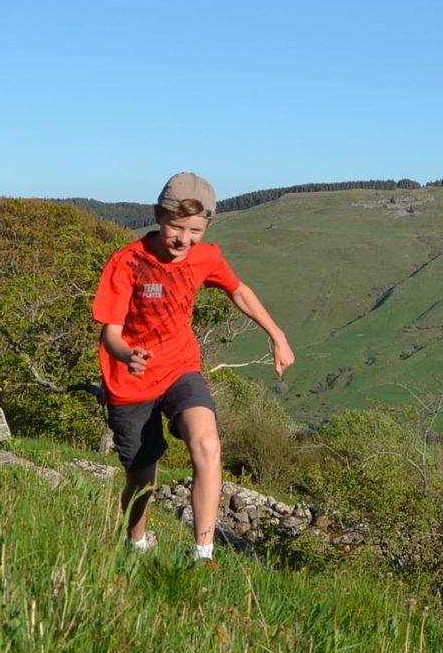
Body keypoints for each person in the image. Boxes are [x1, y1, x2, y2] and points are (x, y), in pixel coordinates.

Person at [92, 172, 295, 561]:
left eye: (195, 230)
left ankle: (203, 554)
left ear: (207, 227)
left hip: (181, 367)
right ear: (157, 215)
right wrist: (127, 354)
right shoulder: (128, 263)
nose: (184, 239)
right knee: (142, 473)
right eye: (176, 227)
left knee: (207, 444)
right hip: (129, 381)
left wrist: (277, 335)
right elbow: (110, 334)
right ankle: (136, 541)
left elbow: (238, 290)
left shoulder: (206, 256)